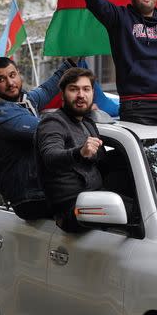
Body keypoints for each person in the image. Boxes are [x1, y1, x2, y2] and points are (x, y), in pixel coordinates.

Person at [0, 56, 78, 220]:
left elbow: (47, 89)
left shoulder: (23, 100)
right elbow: (48, 130)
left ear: (18, 74)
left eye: (12, 75)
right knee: (88, 205)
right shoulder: (1, 114)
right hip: (29, 197)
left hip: (43, 189)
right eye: (1, 79)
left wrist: (71, 64)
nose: (10, 83)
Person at [36, 68, 104, 232]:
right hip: (73, 210)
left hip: (96, 199)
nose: (81, 95)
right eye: (74, 89)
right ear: (63, 94)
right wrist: (79, 152)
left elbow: (104, 161)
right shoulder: (53, 122)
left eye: (86, 89)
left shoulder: (88, 123)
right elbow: (50, 156)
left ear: (92, 93)